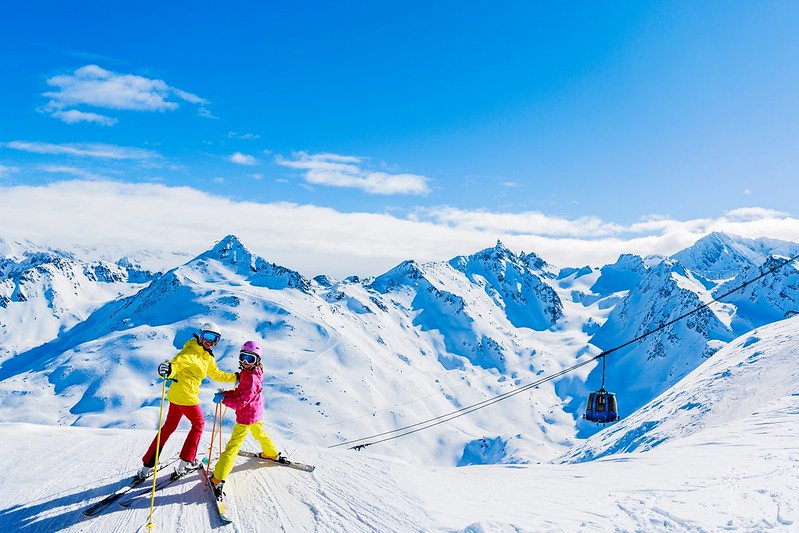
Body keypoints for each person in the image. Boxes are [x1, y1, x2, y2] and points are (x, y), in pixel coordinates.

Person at [136, 321, 238, 481]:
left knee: (168, 427)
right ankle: (185, 463)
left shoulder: (207, 357)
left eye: (215, 338)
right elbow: (176, 364)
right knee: (198, 424)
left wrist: (235, 376)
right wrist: (168, 370)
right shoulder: (189, 353)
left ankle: (146, 466)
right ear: (200, 335)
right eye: (208, 336)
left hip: (177, 396)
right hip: (186, 396)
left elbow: (217, 374)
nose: (210, 341)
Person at [209, 340, 281, 497]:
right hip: (256, 413)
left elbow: (241, 401)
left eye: (250, 359)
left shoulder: (249, 378)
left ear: (257, 361)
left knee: (233, 446)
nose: (245, 362)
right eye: (243, 357)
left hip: (246, 416)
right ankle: (271, 453)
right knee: (259, 433)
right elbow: (242, 393)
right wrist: (226, 394)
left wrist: (224, 399)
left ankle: (218, 478)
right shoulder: (252, 373)